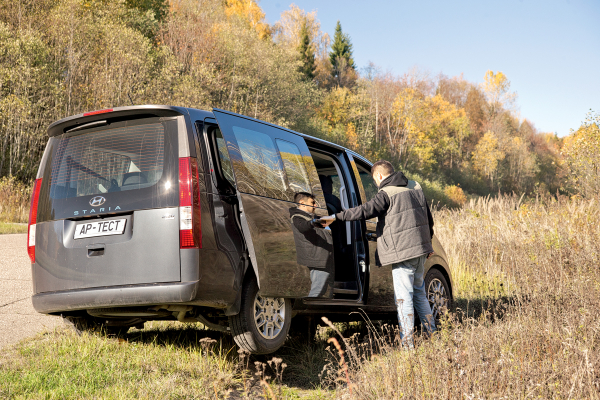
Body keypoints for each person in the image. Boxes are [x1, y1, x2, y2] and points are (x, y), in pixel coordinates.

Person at [320, 160, 436, 347]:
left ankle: (408, 345)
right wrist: (428, 244)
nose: (376, 184)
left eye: (375, 180)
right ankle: (433, 335)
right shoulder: (415, 187)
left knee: (403, 299)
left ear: (379, 176)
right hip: (420, 251)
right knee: (419, 294)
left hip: (403, 254)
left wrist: (336, 217)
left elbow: (364, 211)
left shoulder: (386, 193)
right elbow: (428, 218)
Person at [289, 192, 334, 298]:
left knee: (328, 288)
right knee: (317, 290)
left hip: (324, 257)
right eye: (312, 203)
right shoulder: (297, 217)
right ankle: (309, 309)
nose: (315, 205)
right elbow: (303, 227)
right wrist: (314, 222)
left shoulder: (309, 216)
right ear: (302, 203)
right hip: (317, 259)